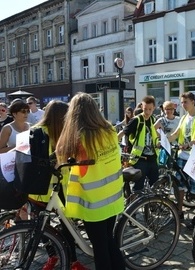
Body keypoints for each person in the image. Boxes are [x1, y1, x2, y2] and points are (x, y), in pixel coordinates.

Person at [55, 93, 125, 270]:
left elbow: (60, 152)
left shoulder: (81, 138)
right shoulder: (108, 130)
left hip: (95, 204)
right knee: (109, 242)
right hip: (113, 197)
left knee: (100, 249)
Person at [27, 100, 88, 270]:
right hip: (61, 188)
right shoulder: (62, 134)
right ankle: (73, 261)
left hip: (39, 190)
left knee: (41, 228)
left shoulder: (35, 131)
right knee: (67, 226)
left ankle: (53, 256)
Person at [168, 92, 195, 228]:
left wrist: (190, 143)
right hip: (182, 155)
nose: (183, 105)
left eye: (185, 102)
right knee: (180, 185)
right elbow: (176, 134)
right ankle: (179, 212)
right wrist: (165, 141)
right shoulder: (184, 117)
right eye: (181, 102)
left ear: (192, 102)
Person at [122, 95, 160, 191]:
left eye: (150, 109)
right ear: (142, 107)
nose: (147, 112)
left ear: (154, 108)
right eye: (145, 109)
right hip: (140, 160)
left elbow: (155, 135)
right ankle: (135, 205)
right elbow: (123, 132)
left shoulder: (153, 119)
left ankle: (151, 205)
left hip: (152, 159)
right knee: (138, 187)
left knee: (154, 186)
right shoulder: (136, 120)